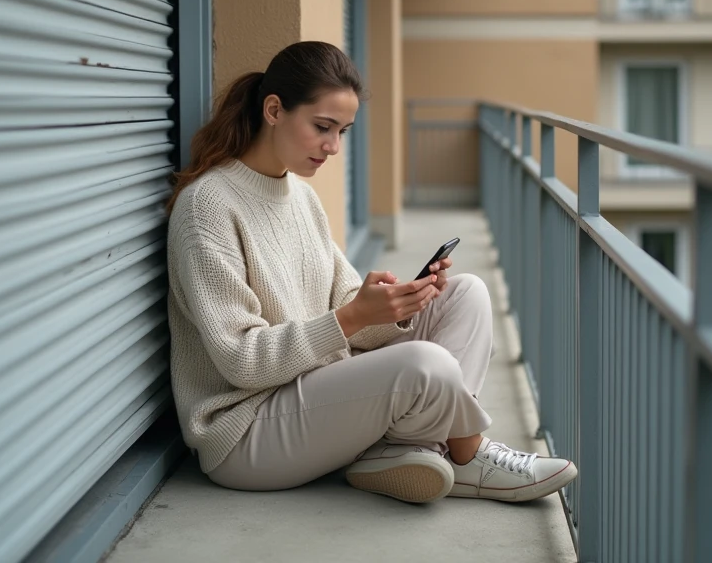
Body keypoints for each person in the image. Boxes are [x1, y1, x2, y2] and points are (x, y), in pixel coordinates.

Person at [165, 40, 577, 504]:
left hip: (316, 394)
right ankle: (467, 454)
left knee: (465, 294)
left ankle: (411, 449)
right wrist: (352, 318)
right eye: (323, 127)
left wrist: (401, 303)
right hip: (246, 432)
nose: (334, 147)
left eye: (343, 131)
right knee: (427, 364)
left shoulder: (299, 197)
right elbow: (242, 360)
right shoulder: (208, 207)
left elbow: (346, 304)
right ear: (274, 109)